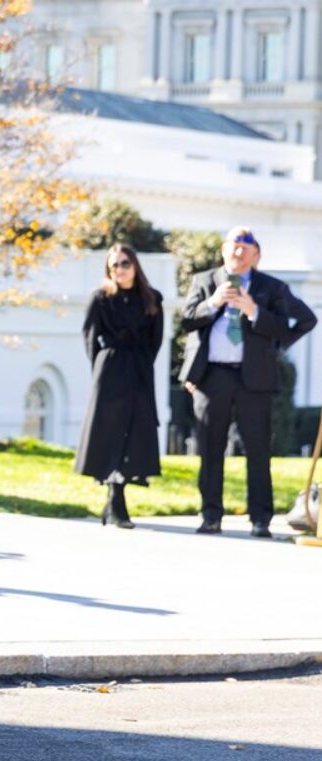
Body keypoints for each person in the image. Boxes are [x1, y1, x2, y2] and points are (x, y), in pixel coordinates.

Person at [179, 226, 316, 537]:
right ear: (224, 249)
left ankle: (260, 519)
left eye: (246, 245)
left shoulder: (271, 287)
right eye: (234, 243)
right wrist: (213, 303)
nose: (239, 250)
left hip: (254, 379)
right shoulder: (204, 281)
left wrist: (256, 313)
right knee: (211, 449)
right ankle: (211, 515)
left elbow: (301, 320)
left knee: (257, 451)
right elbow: (186, 321)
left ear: (256, 255)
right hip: (212, 376)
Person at [73, 244, 163, 529]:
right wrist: (102, 365)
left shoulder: (151, 299)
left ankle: (117, 499)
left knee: (133, 433)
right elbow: (90, 337)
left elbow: (155, 340)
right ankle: (115, 501)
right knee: (110, 432)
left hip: (138, 370)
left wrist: (142, 363)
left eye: (125, 264)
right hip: (110, 370)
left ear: (135, 265)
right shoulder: (100, 299)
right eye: (114, 266)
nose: (120, 270)